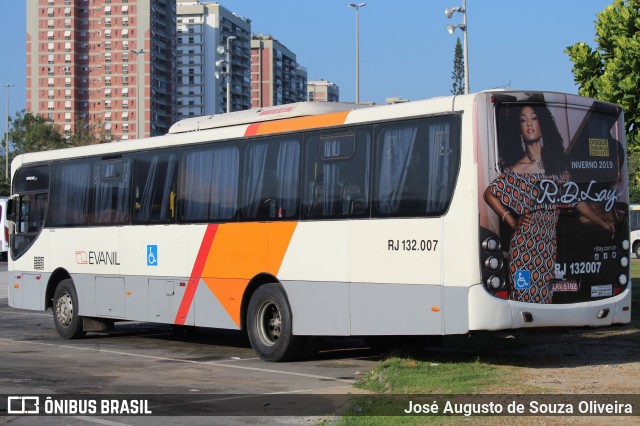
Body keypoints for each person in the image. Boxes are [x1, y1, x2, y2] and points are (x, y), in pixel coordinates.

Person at [484, 104, 615, 304]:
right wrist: (511, 220)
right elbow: (489, 193)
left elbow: (576, 199)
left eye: (534, 118)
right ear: (520, 128)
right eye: (523, 119)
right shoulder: (517, 170)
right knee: (524, 299)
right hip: (524, 249)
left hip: (548, 248)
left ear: (542, 124)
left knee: (545, 300)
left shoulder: (556, 168)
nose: (529, 123)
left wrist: (602, 223)